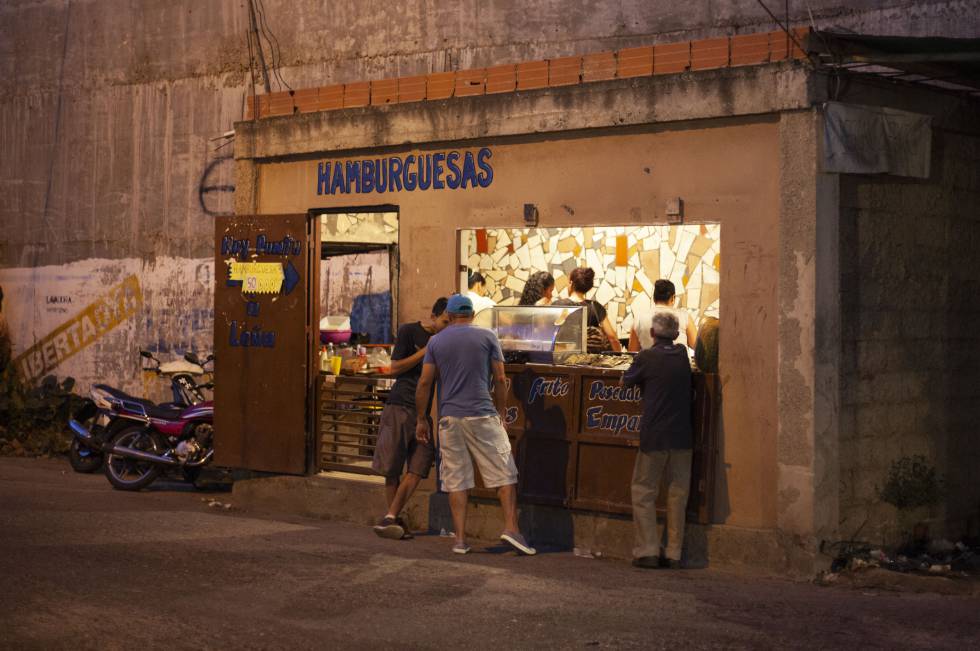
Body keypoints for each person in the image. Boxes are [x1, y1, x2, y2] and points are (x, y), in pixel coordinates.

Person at [415, 294, 536, 556]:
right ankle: (511, 529)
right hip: (482, 414)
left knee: (456, 479)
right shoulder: (487, 336)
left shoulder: (436, 342)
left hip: (449, 419)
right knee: (505, 472)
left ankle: (459, 539)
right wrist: (501, 413)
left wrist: (422, 418)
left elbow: (424, 383)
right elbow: (501, 378)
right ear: (472, 314)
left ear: (449, 314)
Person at [371, 297, 451, 540]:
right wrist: (428, 351)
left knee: (419, 465)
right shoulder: (409, 332)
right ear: (433, 317)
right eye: (445, 321)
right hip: (399, 405)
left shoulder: (447, 343)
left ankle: (390, 517)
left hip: (423, 413)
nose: (448, 327)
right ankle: (394, 519)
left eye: (452, 322)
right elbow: (394, 369)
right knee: (392, 467)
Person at [623, 311, 693, 569]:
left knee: (643, 491)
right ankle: (674, 553)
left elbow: (626, 381)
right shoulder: (683, 355)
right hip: (683, 435)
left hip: (654, 435)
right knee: (677, 494)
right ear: (676, 335)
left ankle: (647, 550)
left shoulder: (646, 357)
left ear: (652, 334)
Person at [558, 267, 621, 352]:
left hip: (565, 358)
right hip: (591, 360)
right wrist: (619, 356)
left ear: (571, 283)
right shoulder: (595, 307)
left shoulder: (558, 305)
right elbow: (612, 337)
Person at [629, 279, 697, 353]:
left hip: (651, 363)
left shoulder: (639, 319)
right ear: (673, 298)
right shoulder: (684, 316)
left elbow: (632, 352)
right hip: (678, 363)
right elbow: (697, 346)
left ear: (654, 298)